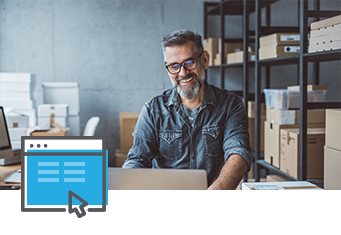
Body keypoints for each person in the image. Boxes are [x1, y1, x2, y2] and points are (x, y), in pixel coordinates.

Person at [122, 29, 252, 190]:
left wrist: (213, 194)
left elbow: (238, 153)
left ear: (205, 59)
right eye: (174, 66)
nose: (183, 73)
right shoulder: (153, 110)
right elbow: (137, 160)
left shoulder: (230, 105)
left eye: (190, 62)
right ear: (166, 67)